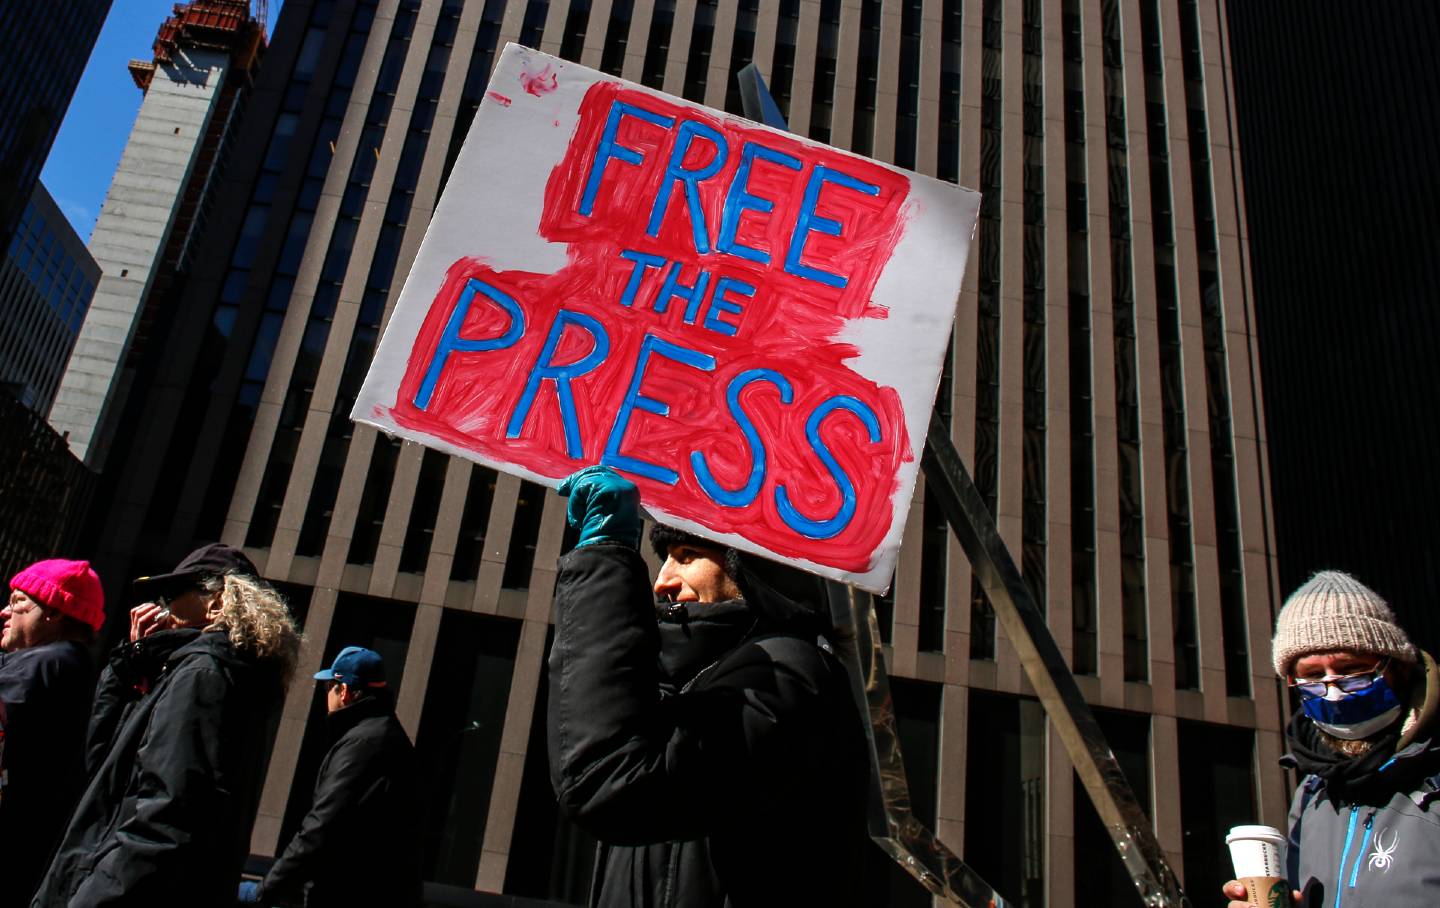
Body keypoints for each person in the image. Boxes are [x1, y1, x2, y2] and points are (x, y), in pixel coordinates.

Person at [548, 466, 869, 907]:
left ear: (755, 567)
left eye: (686, 554)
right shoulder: (693, 686)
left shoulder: (793, 676)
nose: (662, 580)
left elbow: (611, 781)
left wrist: (603, 558)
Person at [33, 543, 301, 908]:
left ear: (218, 602)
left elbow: (166, 814)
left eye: (174, 593)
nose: (162, 605)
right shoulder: (207, 672)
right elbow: (107, 770)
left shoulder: (204, 674)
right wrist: (130, 665)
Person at [1223, 571, 1440, 908]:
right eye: (1312, 675)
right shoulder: (1313, 793)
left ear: (1396, 667)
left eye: (1351, 669)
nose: (1334, 691)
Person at [248, 646, 423, 908]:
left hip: (348, 893)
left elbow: (322, 824)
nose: (326, 695)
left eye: (328, 686)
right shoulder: (387, 736)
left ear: (344, 691)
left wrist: (265, 890)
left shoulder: (362, 744)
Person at [0, 560, 102, 908]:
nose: (5, 611)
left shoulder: (44, 665)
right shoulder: (68, 666)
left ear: (54, 613)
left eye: (17, 602)